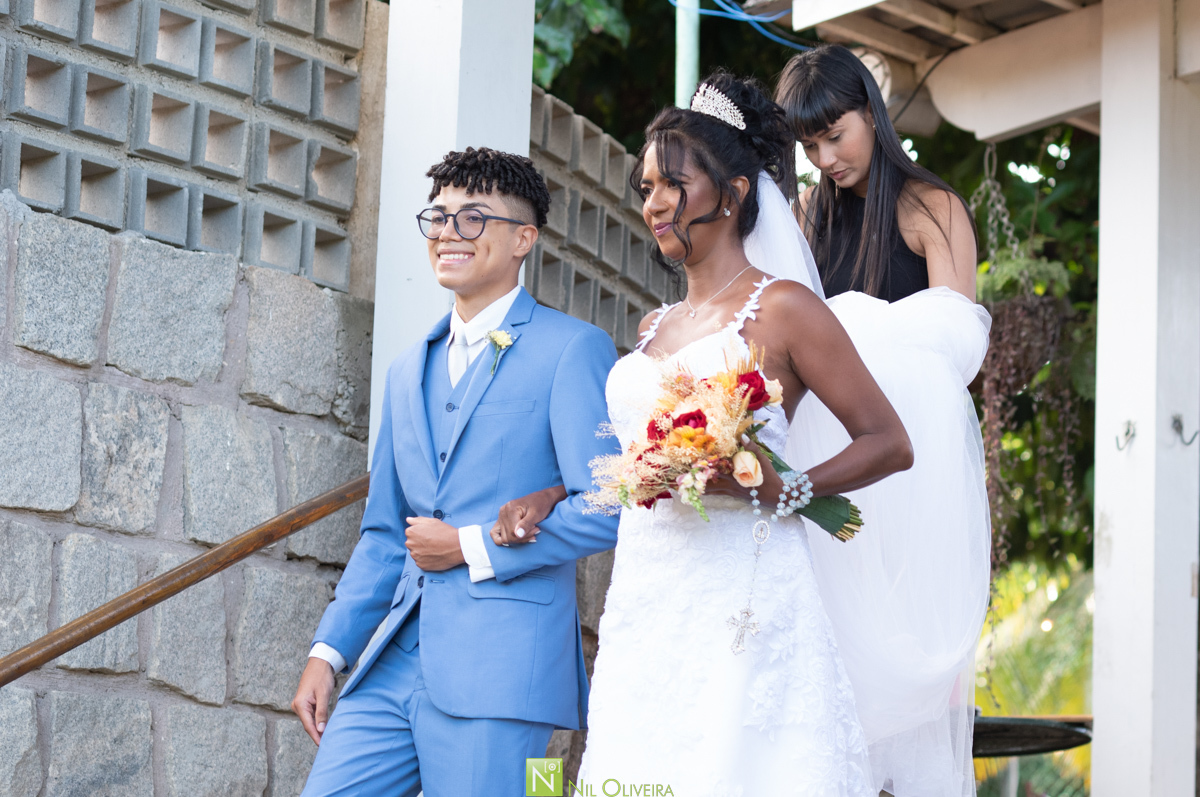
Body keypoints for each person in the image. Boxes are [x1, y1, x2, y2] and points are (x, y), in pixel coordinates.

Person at [500, 72, 913, 795]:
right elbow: (634, 458)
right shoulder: (650, 327)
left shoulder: (783, 308)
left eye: (671, 183)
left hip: (744, 601)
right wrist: (553, 492)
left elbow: (888, 439)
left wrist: (787, 487)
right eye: (645, 187)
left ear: (735, 192)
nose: (653, 203)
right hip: (649, 598)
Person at [290, 147, 621, 797]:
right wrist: (328, 651)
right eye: (438, 217)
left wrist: (470, 545)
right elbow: (386, 532)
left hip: (501, 670)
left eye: (473, 218)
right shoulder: (406, 368)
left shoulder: (571, 348)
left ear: (524, 238)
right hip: (389, 664)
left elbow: (609, 503)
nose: (448, 232)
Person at [774, 44, 993, 797]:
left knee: (910, 668)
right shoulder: (808, 216)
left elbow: (960, 345)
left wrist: (860, 331)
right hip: (831, 464)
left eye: (836, 134)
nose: (826, 156)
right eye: (810, 145)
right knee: (832, 657)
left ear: (871, 111)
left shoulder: (932, 207)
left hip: (911, 461)